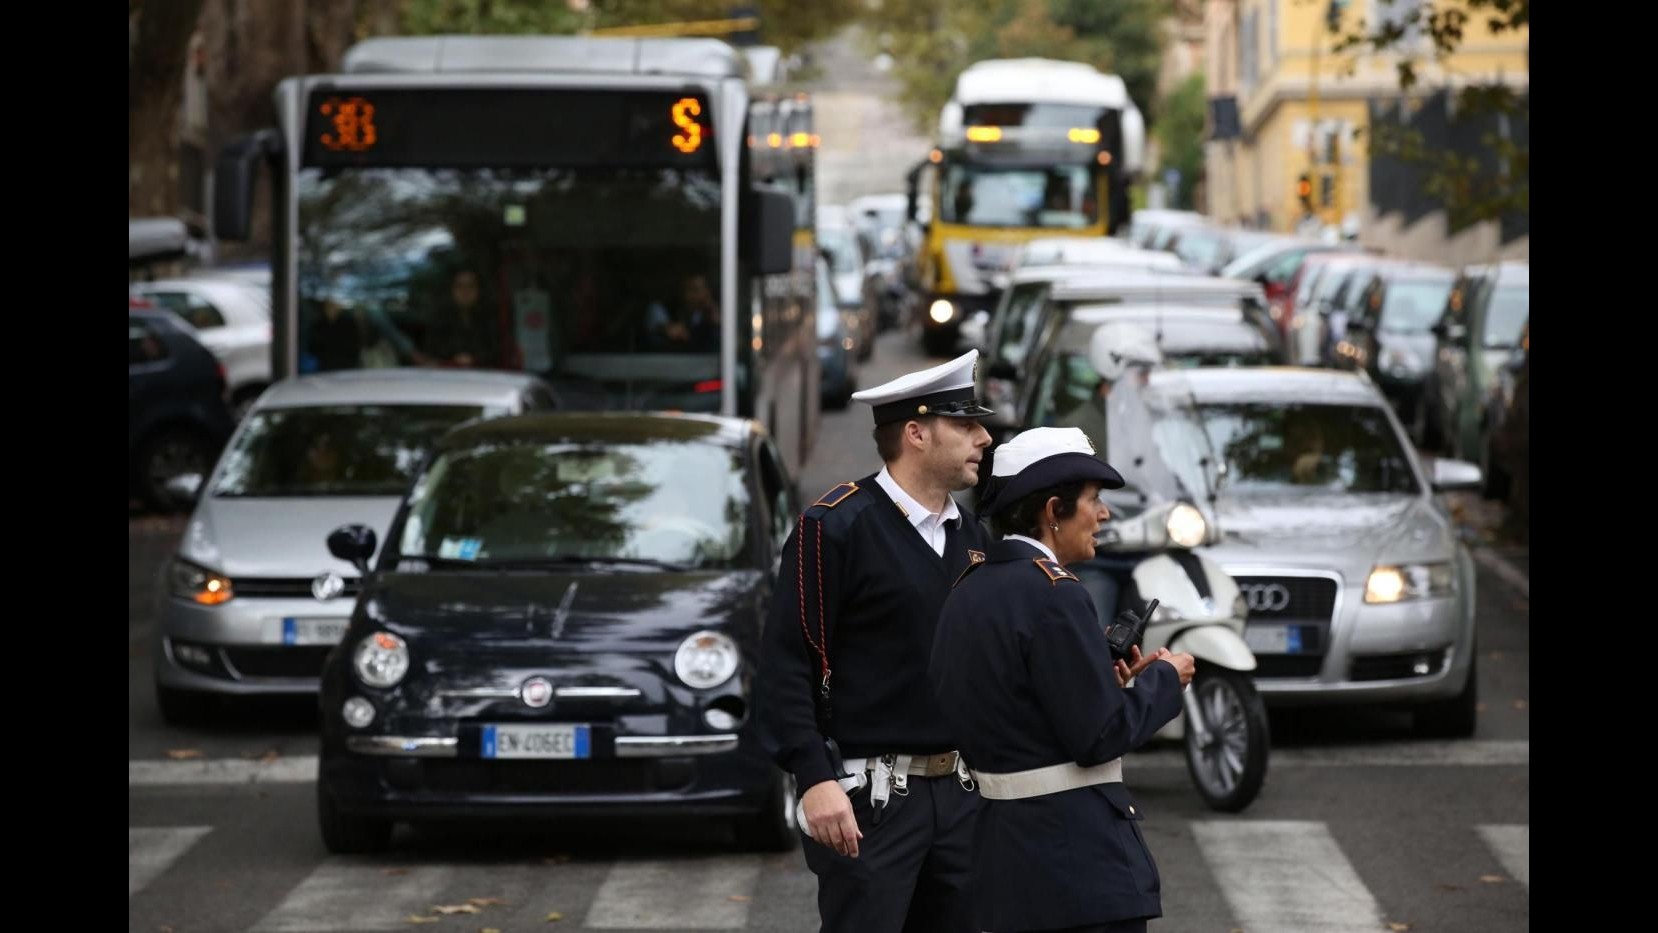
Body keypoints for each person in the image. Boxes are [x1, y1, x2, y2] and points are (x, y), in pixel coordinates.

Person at [754, 350, 996, 933]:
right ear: (916, 433)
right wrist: (814, 778)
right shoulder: (833, 526)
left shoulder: (973, 534)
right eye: (965, 424)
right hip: (872, 803)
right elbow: (787, 665)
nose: (984, 438)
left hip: (965, 800)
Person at [929, 427, 1196, 933]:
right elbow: (1099, 736)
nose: (1104, 514)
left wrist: (1103, 686)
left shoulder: (969, 587)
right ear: (1054, 512)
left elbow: (1017, 711)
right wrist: (1163, 680)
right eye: (1093, 501)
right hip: (1076, 870)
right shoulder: (1056, 593)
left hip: (1004, 864)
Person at [424, 268, 501, 368]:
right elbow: (433, 351)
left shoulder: (490, 319)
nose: (465, 291)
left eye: (471, 286)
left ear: (479, 290)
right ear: (451, 290)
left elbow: (495, 350)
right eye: (459, 286)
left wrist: (474, 358)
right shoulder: (439, 320)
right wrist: (454, 359)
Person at [645, 272, 720, 352]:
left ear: (708, 293)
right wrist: (667, 329)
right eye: (684, 289)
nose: (687, 295)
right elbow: (665, 328)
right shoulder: (662, 308)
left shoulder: (713, 314)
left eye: (695, 290)